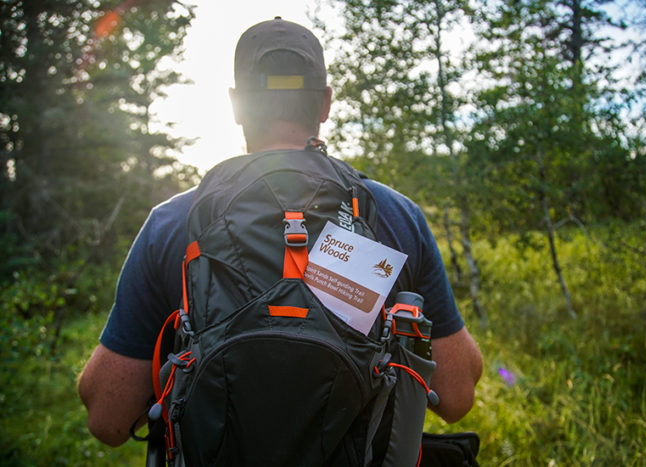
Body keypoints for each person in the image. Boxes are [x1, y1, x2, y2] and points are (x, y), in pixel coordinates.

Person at [79, 16, 482, 448]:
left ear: (236, 105)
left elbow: (108, 417)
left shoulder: (174, 221)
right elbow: (457, 396)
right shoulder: (395, 217)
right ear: (325, 103)